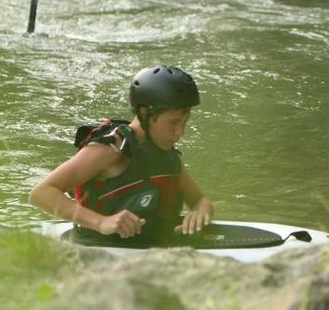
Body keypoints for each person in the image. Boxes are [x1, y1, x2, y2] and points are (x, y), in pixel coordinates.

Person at [29, 65, 213, 244]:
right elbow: (41, 193)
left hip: (155, 245)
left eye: (185, 122)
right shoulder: (110, 150)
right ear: (144, 113)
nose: (180, 132)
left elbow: (199, 200)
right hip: (98, 246)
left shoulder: (165, 152)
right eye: (173, 123)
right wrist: (101, 222)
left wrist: (199, 212)